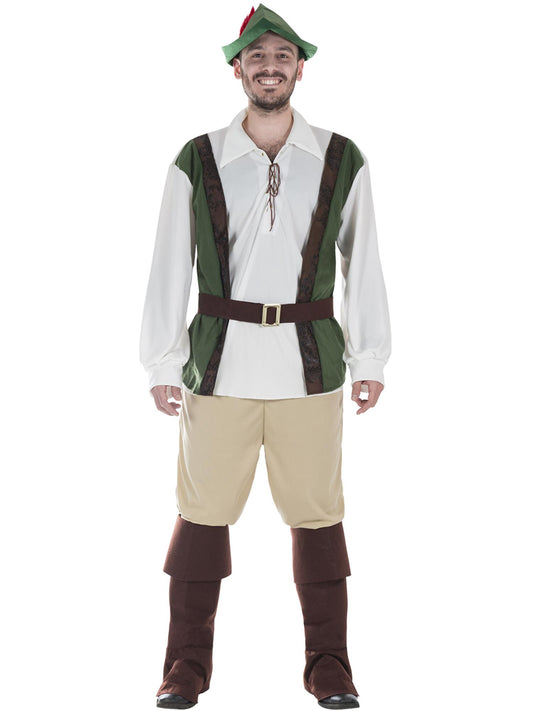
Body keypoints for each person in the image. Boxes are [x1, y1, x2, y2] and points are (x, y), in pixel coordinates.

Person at [139, 4, 391, 709]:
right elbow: (169, 263)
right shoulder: (198, 158)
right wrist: (162, 361)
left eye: (282, 55)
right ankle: (185, 666)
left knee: (318, 517)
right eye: (257, 56)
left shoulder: (339, 157)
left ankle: (329, 666)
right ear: (237, 69)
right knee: (201, 516)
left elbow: (362, 261)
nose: (270, 66)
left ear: (299, 68)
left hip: (310, 369)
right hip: (218, 367)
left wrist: (370, 356)